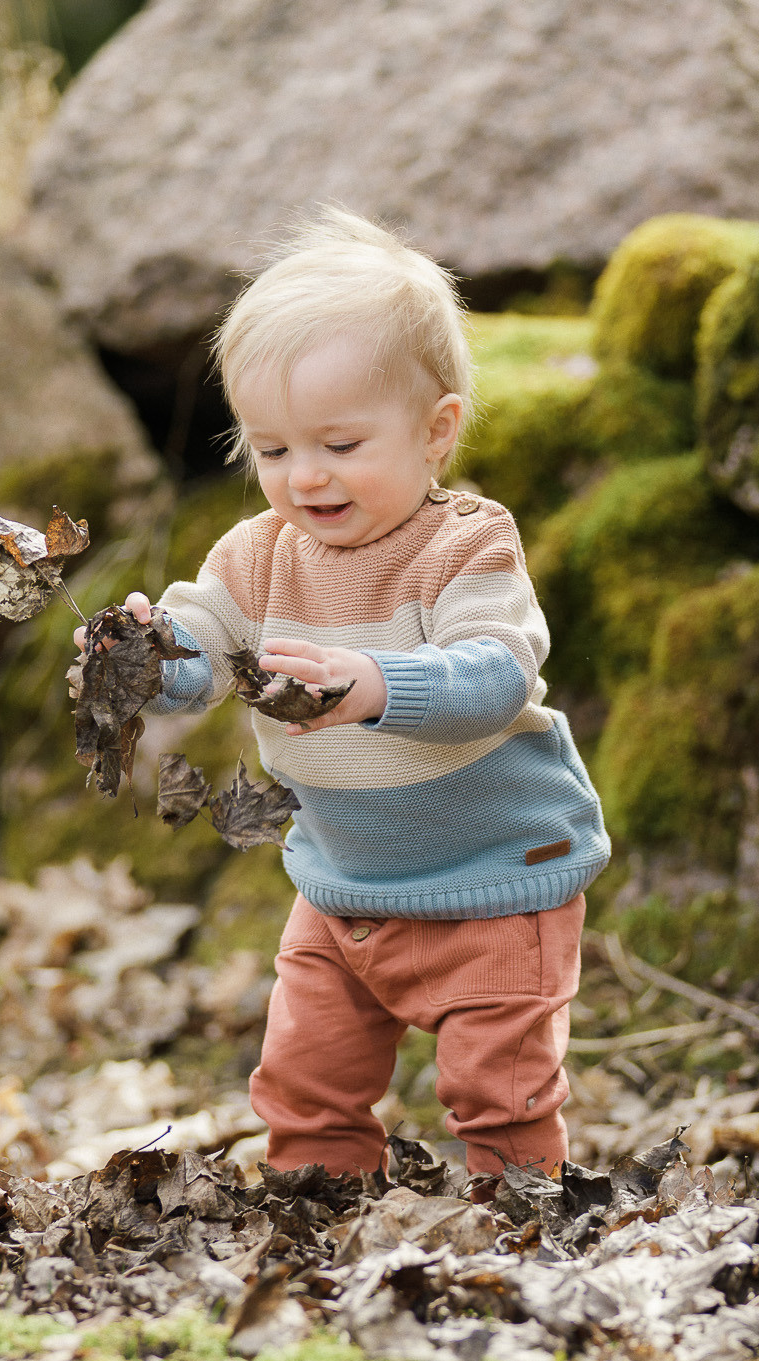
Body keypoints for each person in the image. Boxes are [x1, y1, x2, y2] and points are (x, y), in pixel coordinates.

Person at [90, 206, 608, 1182]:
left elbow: (498, 676)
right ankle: (317, 1203)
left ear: (435, 432)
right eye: (272, 450)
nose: (303, 477)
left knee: (498, 1092)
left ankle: (521, 1226)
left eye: (337, 444)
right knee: (304, 1080)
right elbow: (200, 654)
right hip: (343, 888)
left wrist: (376, 686)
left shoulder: (467, 545)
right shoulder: (252, 558)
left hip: (496, 878)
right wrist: (147, 661)